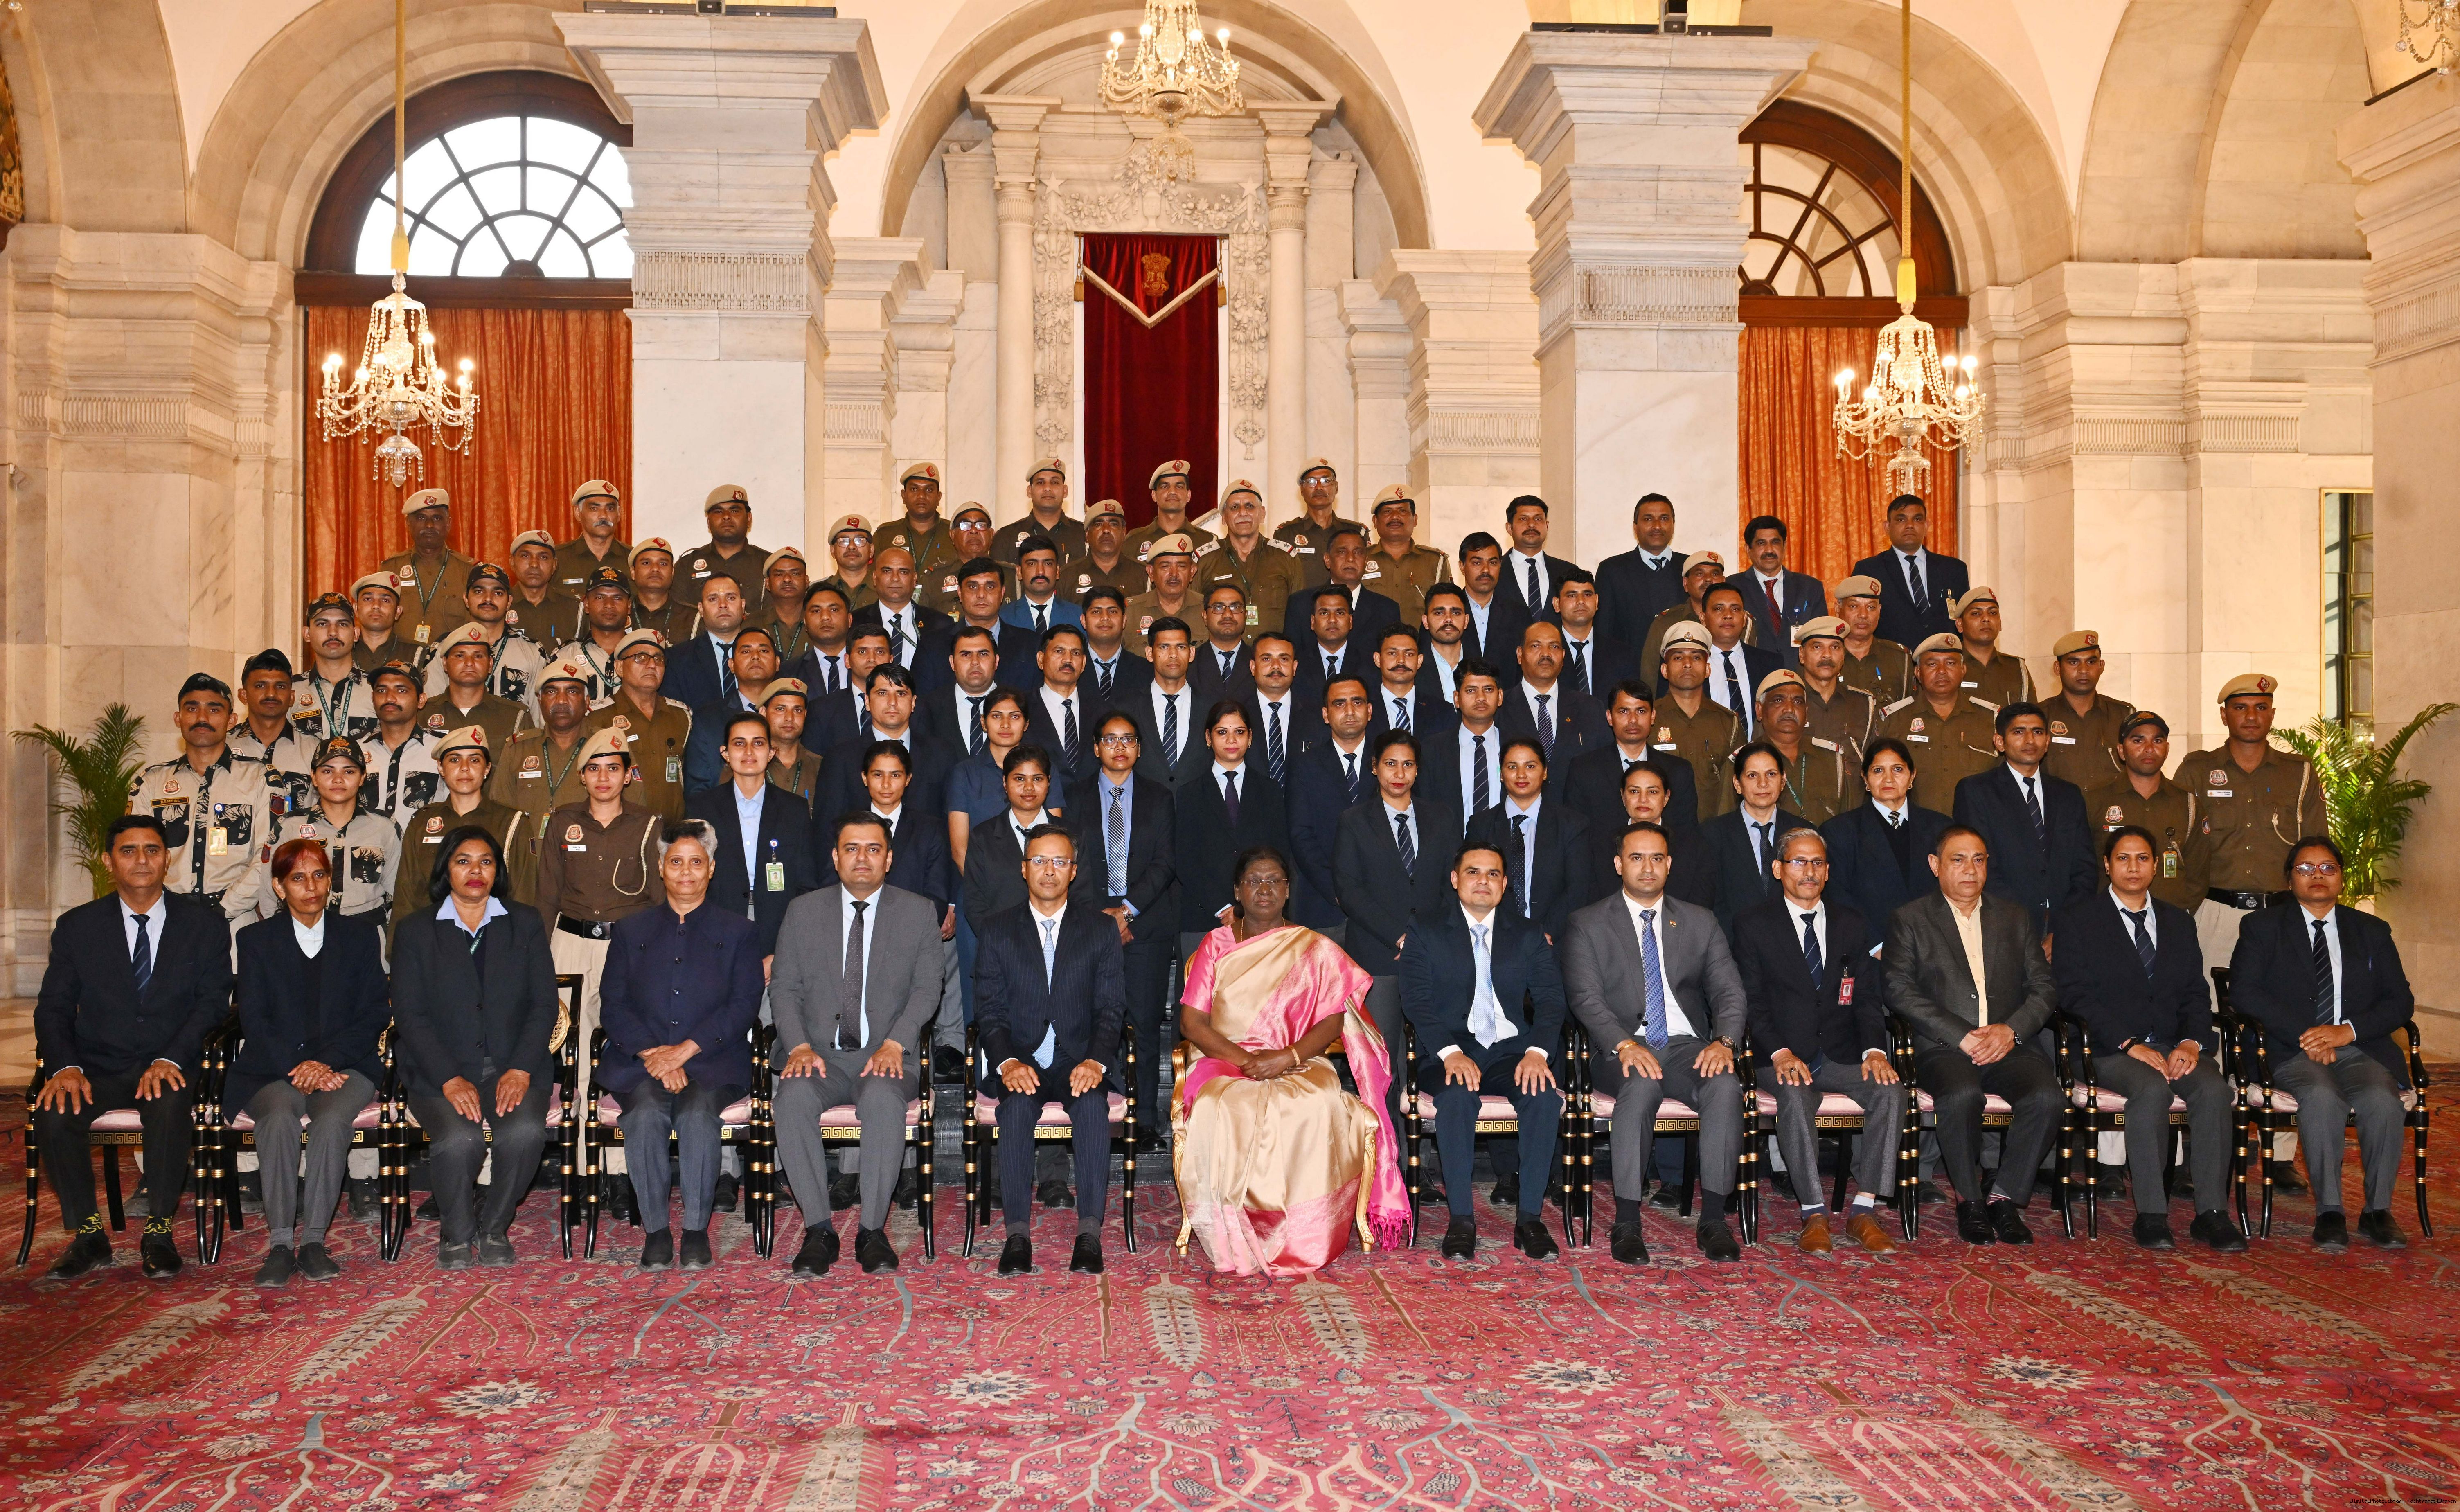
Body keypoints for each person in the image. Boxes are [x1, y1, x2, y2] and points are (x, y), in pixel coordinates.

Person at [1175, 847, 1408, 1275]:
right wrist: (1247, 1060)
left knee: (1317, 1101)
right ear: (1238, 891)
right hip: (1225, 1058)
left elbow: (1333, 1019)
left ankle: (1304, 1235)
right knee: (1222, 1105)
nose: (1264, 889)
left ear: (1287, 890)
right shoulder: (1215, 944)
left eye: (1274, 881)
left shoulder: (1311, 946)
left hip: (1296, 1057)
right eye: (1254, 881)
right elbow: (1192, 1022)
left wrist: (1288, 1056)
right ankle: (1237, 1229)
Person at [32, 815, 234, 1280]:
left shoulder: (204, 925)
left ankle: (159, 1232)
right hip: (98, 1066)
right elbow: (53, 1007)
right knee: (55, 1112)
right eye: (128, 850)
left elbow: (211, 1004)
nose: (141, 860)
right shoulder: (78, 926)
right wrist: (64, 1066)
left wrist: (170, 1058)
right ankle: (89, 1235)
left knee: (169, 1104)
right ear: (109, 861)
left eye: (152, 850)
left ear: (167, 859)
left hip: (171, 1062)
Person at [1560, 820, 1748, 1264]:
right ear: (1618, 864)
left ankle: (1714, 1220)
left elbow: (1730, 992)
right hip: (1619, 1048)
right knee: (1640, 1085)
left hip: (1684, 1045)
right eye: (1637, 857)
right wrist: (1625, 1045)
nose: (1648, 867)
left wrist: (1724, 1041)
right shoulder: (1587, 922)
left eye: (1657, 858)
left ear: (1670, 864)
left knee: (1725, 1084)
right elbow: (1585, 998)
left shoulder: (1700, 921)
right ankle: (1627, 1221)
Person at [2051, 827, 2244, 1253]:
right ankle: (2153, 1214)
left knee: (2215, 1090)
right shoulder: (2079, 920)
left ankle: (2212, 1213)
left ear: (2156, 866)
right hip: (2109, 1049)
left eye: (2142, 858)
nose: (2133, 867)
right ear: (2107, 865)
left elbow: (2195, 992)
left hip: (2175, 1046)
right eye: (2123, 858)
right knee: (2152, 1089)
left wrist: (2192, 1042)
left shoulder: (2178, 921)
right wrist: (2129, 1043)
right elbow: (2075, 996)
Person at [770, 813, 944, 1276]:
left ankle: (871, 1231)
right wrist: (798, 1046)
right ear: (835, 857)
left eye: (873, 849)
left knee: (884, 1101)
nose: (862, 858)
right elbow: (784, 987)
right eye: (851, 848)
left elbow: (928, 988)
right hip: (819, 1055)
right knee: (792, 1099)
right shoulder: (803, 911)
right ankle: (819, 1229)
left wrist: (897, 1042)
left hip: (887, 1054)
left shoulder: (918, 912)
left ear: (889, 858)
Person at [2227, 836, 2416, 1253]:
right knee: (2321, 1095)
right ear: (2289, 879)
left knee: (2382, 1100)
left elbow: (2400, 1000)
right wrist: (2309, 1033)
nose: (2318, 875)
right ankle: (2330, 1210)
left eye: (2328, 868)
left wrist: (2347, 1031)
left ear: (2342, 878)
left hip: (2359, 1046)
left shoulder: (2372, 930)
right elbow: (2245, 991)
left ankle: (2377, 1210)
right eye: (2306, 868)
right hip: (2288, 1047)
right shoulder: (2262, 927)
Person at [1883, 824, 2061, 1246]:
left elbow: (2044, 987)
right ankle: (1970, 1200)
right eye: (1958, 859)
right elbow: (1898, 989)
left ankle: (2003, 1196)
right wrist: (1961, 1035)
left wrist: (2011, 1030)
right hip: (1943, 1047)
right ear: (1935, 865)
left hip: (2008, 1044)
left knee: (2047, 1097)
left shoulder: (2014, 917)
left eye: (1978, 860)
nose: (1970, 869)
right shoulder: (1909, 919)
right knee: (1962, 1095)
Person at [598, 819, 764, 1270]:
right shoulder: (631, 930)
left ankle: (694, 1230)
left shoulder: (739, 931)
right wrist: (655, 1054)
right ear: (661, 868)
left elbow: (743, 1005)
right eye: (676, 862)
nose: (686, 871)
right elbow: (613, 1004)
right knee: (645, 1114)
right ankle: (655, 1231)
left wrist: (686, 1050)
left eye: (696, 862)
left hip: (714, 1061)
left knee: (696, 1115)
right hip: (643, 1062)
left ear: (711, 868)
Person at [393, 825, 559, 1267]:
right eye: (463, 861)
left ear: (497, 870)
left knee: (524, 1133)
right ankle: (456, 1232)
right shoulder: (416, 930)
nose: (475, 871)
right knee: (459, 1139)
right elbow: (410, 1015)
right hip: (441, 1070)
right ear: (445, 870)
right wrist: (449, 1078)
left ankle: (494, 1227)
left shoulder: (524, 922)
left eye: (486, 861)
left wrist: (521, 1068)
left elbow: (544, 1004)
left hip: (513, 1065)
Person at [228, 837, 390, 1286]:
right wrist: (303, 1065)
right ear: (280, 887)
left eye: (319, 875)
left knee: (333, 1120)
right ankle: (281, 1244)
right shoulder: (255, 940)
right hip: (274, 1066)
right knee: (279, 1117)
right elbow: (255, 1019)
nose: (311, 886)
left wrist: (326, 1062)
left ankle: (314, 1241)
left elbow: (374, 1013)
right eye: (298, 878)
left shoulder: (360, 936)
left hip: (348, 1064)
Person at [1399, 839, 1568, 1262]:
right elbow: (1416, 1001)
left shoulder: (1527, 933)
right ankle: (1461, 1220)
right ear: (1455, 879)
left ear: (1505, 885)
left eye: (1493, 874)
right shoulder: (1425, 928)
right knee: (1457, 1096)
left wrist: (1537, 1052)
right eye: (1473, 872)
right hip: (1449, 1051)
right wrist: (1451, 1052)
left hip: (1511, 1052)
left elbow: (1551, 1000)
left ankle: (1529, 1219)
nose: (1483, 881)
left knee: (1543, 1097)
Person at [1735, 827, 1900, 1254]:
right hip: (1781, 1054)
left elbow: (1866, 996)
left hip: (1842, 1052)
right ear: (1778, 869)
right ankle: (1814, 1213)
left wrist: (1875, 1050)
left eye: (1818, 863)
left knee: (1890, 1090)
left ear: (1827, 871)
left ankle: (1865, 1209)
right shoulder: (1753, 924)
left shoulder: (1851, 922)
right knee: (1794, 1096)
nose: (1809, 871)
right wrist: (1780, 1052)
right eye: (1798, 861)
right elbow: (1751, 1001)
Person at [977, 825, 1128, 1275]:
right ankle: (1017, 1236)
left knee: (1092, 1105)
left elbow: (1111, 1007)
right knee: (1017, 1107)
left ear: (1074, 871)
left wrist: (1096, 1060)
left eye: (1059, 861)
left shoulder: (1100, 928)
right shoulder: (997, 929)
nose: (1049, 870)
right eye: (1039, 860)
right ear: (1024, 869)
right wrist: (1007, 1062)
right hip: (1021, 1057)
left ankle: (1089, 1234)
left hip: (1078, 1056)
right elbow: (989, 1010)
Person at [1334, 730, 1462, 1131]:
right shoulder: (1354, 821)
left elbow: (1452, 884)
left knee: (1430, 1051)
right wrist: (1400, 935)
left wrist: (1426, 938)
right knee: (1384, 1056)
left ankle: (1425, 1151)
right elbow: (1350, 890)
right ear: (1374, 768)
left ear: (1418, 770)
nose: (1399, 773)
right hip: (1378, 955)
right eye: (1390, 764)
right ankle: (1388, 1149)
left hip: (1432, 954)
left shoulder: (1441, 817)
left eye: (1408, 764)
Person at [1067, 712, 1179, 1138]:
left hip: (1146, 927)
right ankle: (1100, 1115)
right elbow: (1069, 861)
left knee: (1146, 1024)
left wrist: (1127, 912)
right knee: (1094, 1024)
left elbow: (1165, 862)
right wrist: (1103, 918)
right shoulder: (1073, 796)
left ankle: (1145, 1119)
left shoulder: (1159, 796)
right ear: (1096, 747)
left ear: (1139, 748)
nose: (1119, 747)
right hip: (1088, 926)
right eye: (1110, 739)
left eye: (1128, 739)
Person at [2181, 671, 2327, 970]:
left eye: (2261, 708)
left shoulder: (2299, 772)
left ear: (2272, 715)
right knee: (2212, 998)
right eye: (2240, 708)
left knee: (2283, 998)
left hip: (2283, 915)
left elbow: (2318, 847)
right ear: (2224, 716)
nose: (2251, 716)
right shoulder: (2197, 771)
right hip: (2215, 913)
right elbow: (2176, 846)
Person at [534, 728, 667, 1049]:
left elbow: (659, 896)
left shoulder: (649, 824)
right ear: (582, 776)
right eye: (594, 768)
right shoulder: (562, 821)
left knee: (632, 1037)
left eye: (613, 768)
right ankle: (579, 1086)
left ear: (627, 776)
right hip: (571, 944)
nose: (603, 777)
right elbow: (548, 895)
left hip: (628, 945)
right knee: (570, 1040)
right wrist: (539, 954)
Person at [129, 672, 280, 919]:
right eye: (192, 709)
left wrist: (224, 910)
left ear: (231, 720)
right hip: (168, 918)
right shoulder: (151, 783)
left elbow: (269, 855)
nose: (202, 718)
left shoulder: (260, 778)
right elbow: (139, 857)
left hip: (235, 919)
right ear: (178, 718)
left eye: (214, 710)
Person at [686, 712, 822, 967]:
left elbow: (806, 886)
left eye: (758, 743)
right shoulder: (701, 808)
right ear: (725, 753)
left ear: (771, 753)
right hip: (715, 931)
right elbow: (691, 879)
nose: (749, 752)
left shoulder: (794, 809)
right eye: (739, 743)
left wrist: (783, 952)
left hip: (779, 929)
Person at [1953, 702, 2097, 930]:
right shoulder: (1976, 791)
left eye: (2038, 732)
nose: (2030, 740)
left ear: (2047, 741)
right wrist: (2025, 926)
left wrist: (2062, 928)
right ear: (2000, 742)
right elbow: (1980, 865)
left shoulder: (2069, 795)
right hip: (2004, 923)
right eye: (2019, 732)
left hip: (2065, 924)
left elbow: (2085, 869)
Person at [1174, 702, 1289, 958]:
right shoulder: (1189, 794)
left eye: (1239, 732)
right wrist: (1224, 908)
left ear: (1250, 737)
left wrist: (1244, 909)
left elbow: (1280, 856)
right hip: (1203, 917)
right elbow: (1186, 861)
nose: (1231, 740)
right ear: (1208, 737)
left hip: (1261, 915)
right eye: (1222, 732)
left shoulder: (1270, 791)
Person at [394, 725, 529, 922]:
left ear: (487, 768)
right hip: (432, 933)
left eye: (474, 760)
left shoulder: (512, 822)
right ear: (441, 768)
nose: (465, 768)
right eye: (455, 760)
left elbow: (524, 896)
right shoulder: (422, 822)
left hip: (493, 932)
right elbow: (406, 896)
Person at [2083, 710, 2210, 915]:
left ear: (2167, 749)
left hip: (2170, 920)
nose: (2149, 748)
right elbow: (2082, 868)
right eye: (2138, 741)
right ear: (2121, 751)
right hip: (2107, 919)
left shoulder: (2187, 802)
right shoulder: (2094, 800)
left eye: (2157, 741)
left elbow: (2199, 873)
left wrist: (2178, 916)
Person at [1464, 737, 1592, 942]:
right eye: (1512, 767)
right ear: (1501, 774)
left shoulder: (1572, 825)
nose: (1521, 774)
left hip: (1555, 940)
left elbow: (1578, 888)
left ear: (1545, 772)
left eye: (1530, 766)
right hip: (1496, 939)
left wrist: (1545, 933)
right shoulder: (1481, 825)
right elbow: (1475, 885)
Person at [256, 737, 398, 919]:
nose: (338, 779)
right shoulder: (289, 828)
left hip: (367, 929)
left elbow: (398, 895)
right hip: (305, 927)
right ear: (314, 777)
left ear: (363, 777)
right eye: (328, 771)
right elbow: (270, 893)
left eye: (349, 772)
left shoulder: (385, 828)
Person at [1820, 738, 1951, 934]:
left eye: (1898, 770)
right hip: (1871, 944)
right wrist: (1875, 944)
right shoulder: (1838, 832)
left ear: (1912, 776)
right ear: (1865, 778)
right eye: (1878, 771)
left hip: (1934, 939)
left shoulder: (1942, 828)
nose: (1888, 779)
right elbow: (1838, 897)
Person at [488, 652, 599, 881]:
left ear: (587, 701)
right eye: (551, 692)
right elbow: (499, 818)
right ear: (539, 700)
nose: (561, 700)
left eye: (572, 691)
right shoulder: (518, 748)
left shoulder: (606, 748)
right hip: (527, 872)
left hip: (590, 871)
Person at [1285, 675, 1374, 933]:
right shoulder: (1304, 767)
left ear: (1369, 711)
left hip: (1382, 904)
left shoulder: (1390, 763)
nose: (1350, 711)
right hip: (1323, 904)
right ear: (1326, 714)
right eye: (1339, 703)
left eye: (1357, 702)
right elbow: (1301, 836)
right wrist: (1338, 891)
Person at [1873, 634, 2000, 813]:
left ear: (1963, 670)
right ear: (1918, 673)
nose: (1942, 671)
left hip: (1977, 825)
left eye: (1951, 663)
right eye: (1932, 664)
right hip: (1915, 826)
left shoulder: (1991, 719)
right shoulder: (1893, 720)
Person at [1563, 679, 1698, 838]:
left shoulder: (1679, 771)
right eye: (1624, 711)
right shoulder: (1584, 769)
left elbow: (1687, 835)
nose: (1633, 720)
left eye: (1641, 711)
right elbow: (1575, 833)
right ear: (1610, 717)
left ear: (1653, 716)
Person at [1701, 741, 1809, 937]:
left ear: (1783, 781)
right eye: (1752, 776)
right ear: (1737, 784)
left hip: (1794, 942)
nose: (1763, 784)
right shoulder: (1711, 834)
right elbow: (1707, 902)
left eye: (1771, 774)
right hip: (1731, 944)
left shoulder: (1805, 833)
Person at [583, 629, 692, 820]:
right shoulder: (597, 718)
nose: (652, 665)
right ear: (619, 668)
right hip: (621, 830)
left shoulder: (682, 716)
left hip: (673, 829)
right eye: (640, 658)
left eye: (659, 659)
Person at [420, 563, 547, 714]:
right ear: (466, 599)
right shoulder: (443, 649)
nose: (488, 598)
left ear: (509, 602)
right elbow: (432, 713)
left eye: (498, 593)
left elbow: (539, 717)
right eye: (479, 591)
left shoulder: (533, 653)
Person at [1850, 493, 1968, 649]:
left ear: (1926, 526)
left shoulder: (1954, 569)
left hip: (1944, 659)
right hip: (1891, 659)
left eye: (1917, 519)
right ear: (1887, 527)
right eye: (1901, 520)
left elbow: (1966, 621)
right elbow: (1857, 621)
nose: (1910, 525)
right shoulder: (1869, 570)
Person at [1651, 624, 1741, 821]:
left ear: (1708, 669)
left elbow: (1735, 788)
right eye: (1678, 658)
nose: (1687, 664)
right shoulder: (1649, 719)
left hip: (1714, 830)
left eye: (1696, 657)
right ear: (1665, 670)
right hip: (1661, 831)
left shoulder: (1729, 723)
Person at [681, 623, 784, 793]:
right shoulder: (708, 719)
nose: (756, 657)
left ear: (778, 663)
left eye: (764, 651)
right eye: (746, 651)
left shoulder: (792, 714)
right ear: (732, 665)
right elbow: (698, 790)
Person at [1192, 481, 1305, 633]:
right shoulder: (1204, 560)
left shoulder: (1286, 558)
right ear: (1224, 517)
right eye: (1235, 507)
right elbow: (1195, 616)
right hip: (1223, 648)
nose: (1243, 513)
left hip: (1274, 648)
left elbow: (1300, 615)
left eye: (1250, 506)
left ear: (1262, 514)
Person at [1500, 620, 1608, 772]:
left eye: (1554, 647)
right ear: (1520, 654)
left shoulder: (1591, 708)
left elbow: (1605, 766)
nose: (1546, 654)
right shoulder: (1499, 708)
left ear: (1563, 656)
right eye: (1536, 646)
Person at [1757, 669, 1857, 826]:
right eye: (1778, 700)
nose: (1789, 709)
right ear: (1759, 710)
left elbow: (1848, 823)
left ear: (1807, 712)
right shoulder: (1745, 761)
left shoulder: (1832, 758)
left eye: (1798, 702)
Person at [1726, 515, 1827, 667]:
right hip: (1752, 674)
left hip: (1799, 676)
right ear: (1748, 550)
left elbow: (1821, 638)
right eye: (1761, 543)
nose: (1769, 550)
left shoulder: (1810, 587)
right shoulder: (1731, 587)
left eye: (1775, 542)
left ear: (1784, 547)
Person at [1593, 493, 1687, 654]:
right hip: (1629, 666)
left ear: (1673, 525)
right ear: (1635, 527)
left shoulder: (1692, 568)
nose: (1657, 526)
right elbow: (1603, 631)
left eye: (1664, 519)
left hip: (1685, 665)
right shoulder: (1611, 570)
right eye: (1648, 519)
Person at [2040, 630, 2134, 791]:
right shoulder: (2040, 716)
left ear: (2101, 666)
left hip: (2112, 807)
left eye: (2091, 662)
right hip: (2060, 807)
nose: (2084, 670)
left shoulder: (2124, 715)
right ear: (2058, 668)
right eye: (2074, 662)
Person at [382, 486, 476, 648]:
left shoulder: (468, 571)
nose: (430, 525)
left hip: (450, 661)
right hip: (400, 660)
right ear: (408, 524)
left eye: (437, 518)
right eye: (421, 518)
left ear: (449, 524)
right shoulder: (391, 569)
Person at [421, 622, 534, 754]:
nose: (469, 663)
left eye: (478, 656)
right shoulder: (422, 714)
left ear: (490, 664)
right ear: (445, 664)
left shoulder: (515, 717)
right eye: (460, 656)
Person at [1284, 523, 1400, 649]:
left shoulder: (1387, 610)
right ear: (1327, 560)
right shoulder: (1301, 604)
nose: (1350, 559)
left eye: (1358, 553)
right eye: (1342, 552)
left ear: (1366, 561)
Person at [358, 660, 441, 823]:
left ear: (421, 700)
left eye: (402, 690)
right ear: (373, 698)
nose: (390, 698)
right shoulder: (356, 750)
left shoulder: (442, 750)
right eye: (382, 690)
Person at [1360, 485, 1453, 629]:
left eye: (1402, 511)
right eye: (1387, 511)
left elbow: (1448, 611)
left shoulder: (1435, 562)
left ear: (1415, 520)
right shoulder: (1359, 558)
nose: (1395, 517)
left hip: (1419, 643)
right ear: (1375, 521)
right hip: (1371, 643)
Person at [1021, 624, 1099, 788]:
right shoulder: (1020, 709)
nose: (1068, 660)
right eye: (1059, 651)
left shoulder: (1103, 711)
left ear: (1084, 663)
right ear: (1041, 660)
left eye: (1076, 653)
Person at [230, 647, 320, 789]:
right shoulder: (223, 747)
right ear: (244, 696)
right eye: (260, 686)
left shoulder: (314, 750)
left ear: (292, 697)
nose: (271, 694)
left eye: (281, 686)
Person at [1793, 617, 1878, 766]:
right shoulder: (1784, 704)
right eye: (1817, 647)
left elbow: (1874, 762)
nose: (1827, 655)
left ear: (1843, 656)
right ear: (1802, 655)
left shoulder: (1864, 704)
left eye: (1835, 647)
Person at [661, 574, 750, 714]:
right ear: (701, 609)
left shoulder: (766, 655)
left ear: (743, 605)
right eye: (713, 599)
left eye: (731, 598)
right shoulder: (676, 660)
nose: (723, 605)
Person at [1549, 567, 1634, 700]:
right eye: (1572, 595)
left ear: (1597, 601)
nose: (1581, 601)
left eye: (1587, 595)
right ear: (1557, 604)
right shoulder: (1547, 653)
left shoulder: (1622, 654)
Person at [1496, 495, 1575, 635]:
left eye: (1538, 519)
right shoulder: (1494, 571)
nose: (1531, 525)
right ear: (1509, 528)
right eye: (1523, 519)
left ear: (1547, 526)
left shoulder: (1568, 572)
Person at [680, 482, 770, 603]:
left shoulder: (768, 565)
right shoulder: (686, 565)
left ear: (749, 519)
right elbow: (678, 611)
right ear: (708, 522)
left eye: (735, 511)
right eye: (718, 512)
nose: (726, 517)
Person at [1273, 458, 1359, 584]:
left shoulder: (1356, 533)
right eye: (1311, 482)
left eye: (1326, 481)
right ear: (1302, 490)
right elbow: (1278, 582)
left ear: (1336, 487)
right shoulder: (1286, 534)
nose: (1319, 487)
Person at [1830, 575, 1912, 707]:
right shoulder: (1825, 658)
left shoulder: (1900, 658)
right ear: (1838, 609)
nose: (1863, 615)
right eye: (1854, 606)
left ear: (1879, 611)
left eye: (1871, 608)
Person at [1367, 621, 1455, 743]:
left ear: (1419, 661)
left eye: (1409, 654)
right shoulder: (1363, 708)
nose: (1401, 661)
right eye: (1392, 653)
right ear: (1378, 659)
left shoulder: (1442, 712)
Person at [1947, 588, 2034, 709]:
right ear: (1960, 625)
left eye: (1993, 613)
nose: (1986, 619)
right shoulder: (1947, 666)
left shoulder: (2016, 667)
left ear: (2000, 624)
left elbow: (2031, 716)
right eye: (1976, 613)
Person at [875, 462, 959, 581]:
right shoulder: (885, 535)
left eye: (929, 490)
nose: (921, 496)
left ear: (939, 497)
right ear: (904, 496)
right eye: (914, 489)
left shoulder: (956, 534)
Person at [1124, 460, 1216, 567]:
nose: (1172, 492)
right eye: (1165, 486)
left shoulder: (1207, 542)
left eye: (1179, 487)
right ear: (1154, 495)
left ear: (1189, 495)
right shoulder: (1134, 541)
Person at [998, 457, 1089, 565]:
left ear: (1065, 491)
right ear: (1029, 491)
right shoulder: (1006, 537)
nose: (1047, 488)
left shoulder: (1085, 535)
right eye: (1040, 483)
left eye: (1055, 482)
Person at [1124, 533, 1203, 653]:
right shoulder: (1130, 612)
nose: (1174, 574)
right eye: (1165, 566)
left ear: (1192, 572)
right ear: (1151, 572)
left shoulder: (1208, 609)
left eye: (1182, 566)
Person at [553, 478, 631, 598]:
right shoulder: (557, 559)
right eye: (594, 509)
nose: (604, 516)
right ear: (578, 513)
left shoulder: (633, 560)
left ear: (619, 514)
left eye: (610, 509)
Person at [1078, 584, 1152, 708]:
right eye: (1096, 612)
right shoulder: (1072, 666)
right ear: (1084, 621)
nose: (1105, 618)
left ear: (1124, 620)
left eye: (1112, 611)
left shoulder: (1145, 670)